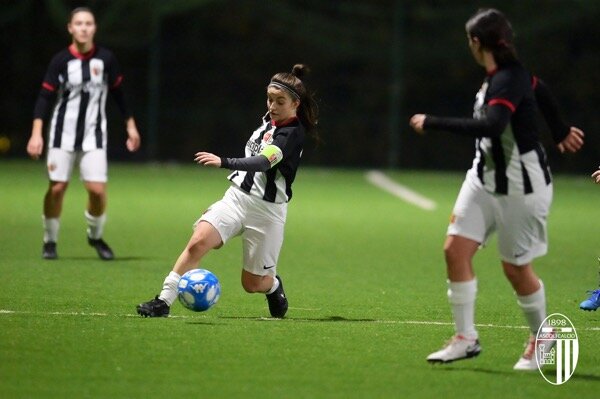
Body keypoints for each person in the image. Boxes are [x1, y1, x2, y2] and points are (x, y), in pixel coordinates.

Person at [408, 8, 584, 370]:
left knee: (516, 269)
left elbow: (492, 125)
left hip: (522, 188)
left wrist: (433, 122)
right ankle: (465, 338)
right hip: (483, 180)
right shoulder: (506, 76)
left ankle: (542, 337)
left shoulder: (507, 80)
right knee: (455, 250)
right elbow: (540, 87)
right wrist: (561, 129)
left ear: (476, 43)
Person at [136, 64, 319, 318]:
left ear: (295, 103)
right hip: (236, 199)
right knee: (199, 241)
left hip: (267, 212)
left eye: (280, 101)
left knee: (252, 284)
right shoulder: (271, 119)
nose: (272, 106)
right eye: (269, 99)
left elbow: (264, 162)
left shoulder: (291, 134)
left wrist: (224, 161)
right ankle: (163, 301)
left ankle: (274, 285)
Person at [26, 7, 141, 260]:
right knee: (57, 188)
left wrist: (130, 126)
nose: (83, 28)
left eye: (88, 23)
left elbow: (119, 95)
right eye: (78, 23)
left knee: (97, 191)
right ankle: (50, 240)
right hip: (61, 134)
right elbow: (44, 97)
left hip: (94, 136)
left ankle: (95, 236)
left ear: (94, 28)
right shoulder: (60, 61)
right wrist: (37, 134)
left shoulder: (106, 59)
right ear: (70, 28)